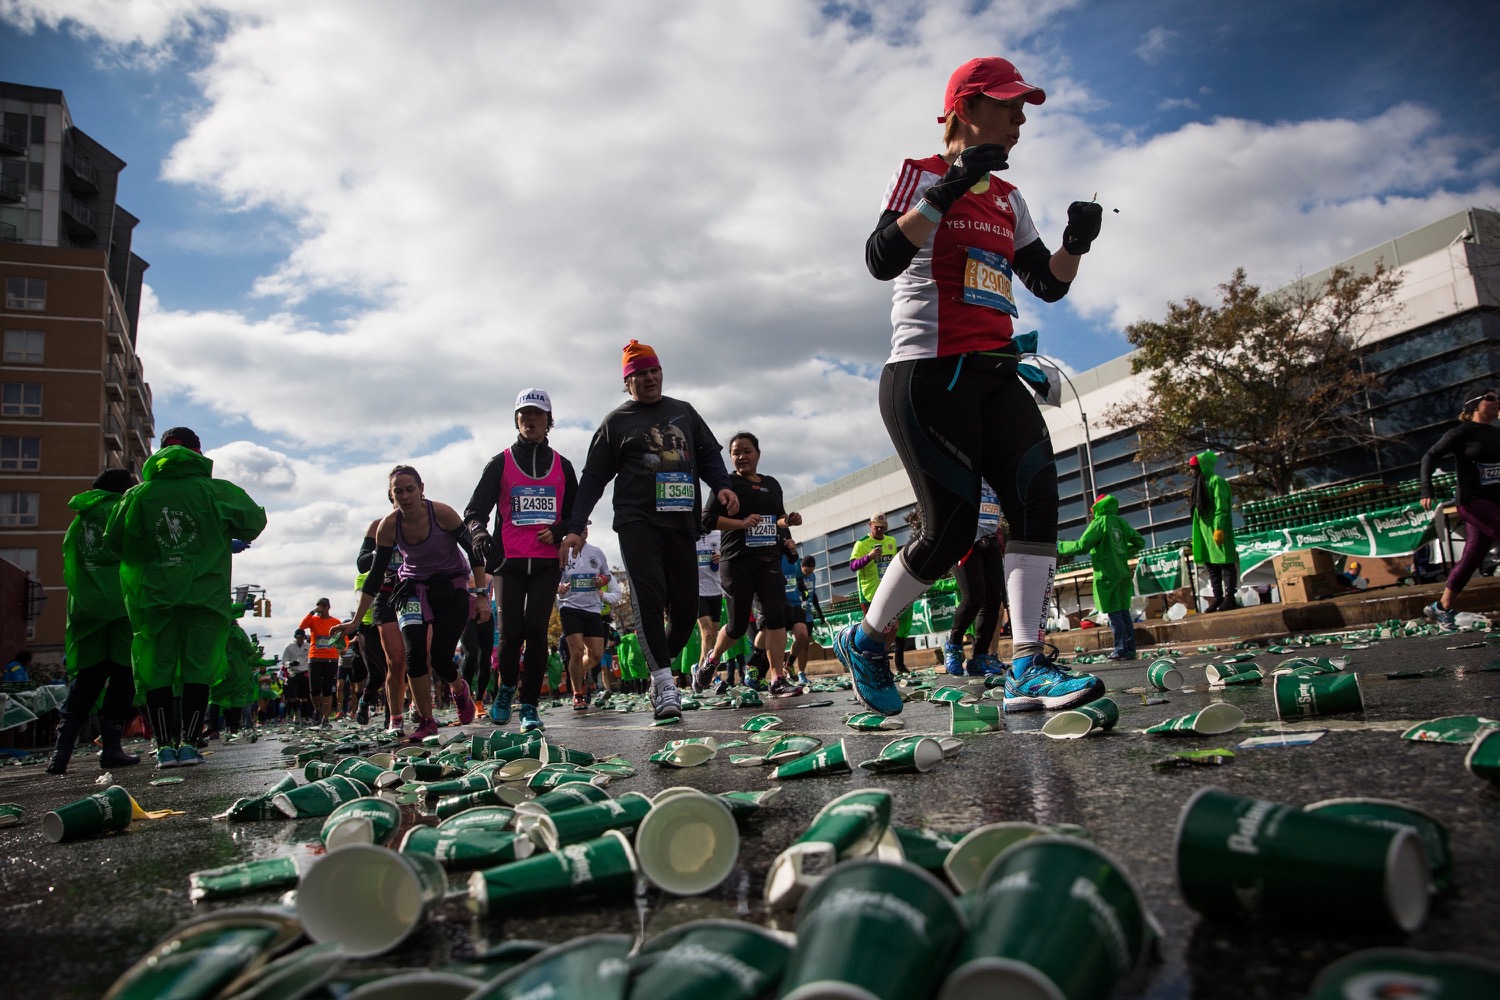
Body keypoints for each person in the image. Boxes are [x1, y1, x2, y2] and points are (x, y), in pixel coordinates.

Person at [837, 56, 1106, 716]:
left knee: (1038, 500)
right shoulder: (921, 173)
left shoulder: (1010, 199)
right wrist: (949, 188)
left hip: (996, 372)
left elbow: (1046, 282)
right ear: (965, 108)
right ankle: (867, 640)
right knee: (952, 529)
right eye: (1008, 107)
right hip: (928, 376)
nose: (1020, 121)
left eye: (1023, 110)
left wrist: (1074, 244)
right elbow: (880, 258)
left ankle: (1028, 663)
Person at [560, 341, 738, 721]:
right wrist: (575, 527)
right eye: (641, 373)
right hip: (637, 521)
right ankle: (664, 682)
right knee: (649, 597)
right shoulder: (616, 422)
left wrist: (721, 485)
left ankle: (661, 664)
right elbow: (592, 478)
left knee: (686, 611)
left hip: (681, 522)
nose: (650, 378)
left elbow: (708, 454)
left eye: (655, 370)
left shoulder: (684, 412)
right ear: (627, 382)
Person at [104, 427, 266, 767]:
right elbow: (253, 522)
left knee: (156, 670)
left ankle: (165, 747)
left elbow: (114, 540)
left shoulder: (137, 496)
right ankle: (190, 744)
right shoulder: (216, 491)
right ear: (198, 452)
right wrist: (219, 535)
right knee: (198, 669)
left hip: (154, 599)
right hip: (204, 598)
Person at [337, 465, 480, 741]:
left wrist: (482, 594)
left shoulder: (442, 513)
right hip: (410, 590)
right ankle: (425, 720)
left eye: (410, 489)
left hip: (449, 587)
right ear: (391, 495)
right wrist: (355, 621)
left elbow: (474, 551)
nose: (404, 496)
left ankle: (459, 689)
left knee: (439, 658)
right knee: (411, 656)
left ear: (421, 489)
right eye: (398, 491)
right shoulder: (386, 526)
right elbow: (372, 574)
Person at [465, 388, 578, 733]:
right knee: (511, 634)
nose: (530, 420)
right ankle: (505, 690)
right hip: (508, 563)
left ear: (548, 421)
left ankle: (529, 705)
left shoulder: (563, 466)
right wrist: (479, 534)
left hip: (545, 564)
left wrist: (558, 530)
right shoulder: (500, 463)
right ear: (516, 421)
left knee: (537, 631)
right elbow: (474, 511)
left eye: (537, 414)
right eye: (524, 415)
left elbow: (576, 515)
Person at [47, 468, 141, 774]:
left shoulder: (80, 519)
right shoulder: (122, 510)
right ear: (124, 489)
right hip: (122, 607)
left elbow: (70, 564)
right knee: (123, 676)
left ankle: (60, 754)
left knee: (88, 678)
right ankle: (111, 748)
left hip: (87, 609)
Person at [694, 432, 803, 697]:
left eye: (747, 451)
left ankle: (777, 678)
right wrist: (741, 523)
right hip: (736, 560)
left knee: (775, 618)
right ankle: (712, 659)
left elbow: (777, 518)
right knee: (738, 626)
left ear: (758, 454)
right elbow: (707, 520)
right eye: (736, 452)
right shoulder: (727, 483)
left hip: (768, 559)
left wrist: (787, 525)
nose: (742, 456)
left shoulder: (772, 484)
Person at [1420, 390, 1500, 629]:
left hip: (1496, 502)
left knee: (1471, 558)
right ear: (1474, 406)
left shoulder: (1496, 433)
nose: (1497, 401)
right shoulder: (1462, 432)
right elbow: (1430, 456)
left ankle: (1441, 608)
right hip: (1472, 501)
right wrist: (1427, 490)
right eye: (1490, 398)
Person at [1059, 494, 1145, 660]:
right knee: (1124, 612)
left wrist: (1059, 546)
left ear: (1096, 508)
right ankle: (1129, 649)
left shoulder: (1099, 523)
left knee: (1114, 613)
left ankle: (1120, 649)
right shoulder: (1121, 522)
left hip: (1107, 574)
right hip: (1122, 573)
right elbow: (1139, 541)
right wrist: (1122, 553)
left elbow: (1081, 546)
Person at [945, 485, 1008, 676]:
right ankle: (953, 645)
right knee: (974, 597)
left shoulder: (996, 476)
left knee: (993, 599)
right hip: (964, 539)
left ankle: (980, 656)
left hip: (990, 538)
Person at [557, 523, 616, 708]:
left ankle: (578, 670)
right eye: (580, 526)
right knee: (576, 651)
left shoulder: (596, 552)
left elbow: (607, 575)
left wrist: (601, 580)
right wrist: (558, 588)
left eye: (587, 526)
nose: (584, 529)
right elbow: (550, 577)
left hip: (592, 608)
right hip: (569, 606)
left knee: (596, 655)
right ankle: (578, 694)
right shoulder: (561, 550)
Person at [849, 513, 912, 675]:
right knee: (873, 632)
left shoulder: (891, 541)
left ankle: (881, 657)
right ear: (870, 525)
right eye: (876, 527)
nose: (879, 530)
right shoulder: (861, 543)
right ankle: (863, 660)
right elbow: (853, 566)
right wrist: (868, 557)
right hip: (869, 594)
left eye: (883, 528)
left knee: (894, 626)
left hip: (888, 591)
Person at [1189, 450, 1239, 613]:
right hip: (1204, 531)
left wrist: (1219, 527)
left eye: (1195, 467)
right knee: (1211, 564)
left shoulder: (1216, 482)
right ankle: (1218, 597)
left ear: (1203, 466)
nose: (1192, 471)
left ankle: (1230, 597)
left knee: (1226, 563)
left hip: (1217, 529)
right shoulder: (1198, 485)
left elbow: (1221, 507)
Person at [298, 599, 342, 723]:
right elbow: (302, 626)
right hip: (315, 657)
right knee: (314, 689)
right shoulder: (313, 620)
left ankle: (325, 717)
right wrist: (312, 612)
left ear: (328, 607)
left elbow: (342, 637)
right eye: (319, 607)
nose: (321, 609)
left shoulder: (336, 622)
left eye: (323, 606)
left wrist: (343, 648)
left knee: (328, 689)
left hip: (330, 658)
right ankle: (317, 710)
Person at [281, 629, 311, 721]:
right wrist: (290, 663)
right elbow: (284, 660)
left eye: (302, 637)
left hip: (304, 673)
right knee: (293, 697)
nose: (301, 639)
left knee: (305, 697)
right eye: (299, 637)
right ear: (295, 637)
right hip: (293, 673)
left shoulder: (308, 646)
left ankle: (304, 716)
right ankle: (295, 713)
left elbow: (311, 658)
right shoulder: (289, 647)